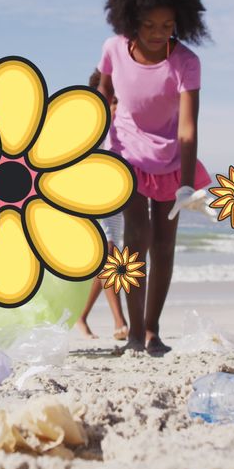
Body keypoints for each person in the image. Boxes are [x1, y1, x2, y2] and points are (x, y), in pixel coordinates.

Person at [96, 0, 212, 356]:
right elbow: (101, 96)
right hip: (125, 154)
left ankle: (152, 331)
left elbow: (188, 126)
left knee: (164, 245)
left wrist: (185, 187)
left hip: (171, 163)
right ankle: (130, 333)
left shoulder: (186, 62)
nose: (157, 33)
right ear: (130, 19)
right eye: (148, 25)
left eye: (166, 26)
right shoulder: (113, 49)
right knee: (135, 238)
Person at [75, 69, 129, 341]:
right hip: (94, 195)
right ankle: (120, 320)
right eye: (110, 98)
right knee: (109, 252)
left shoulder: (124, 127)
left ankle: (81, 317)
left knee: (108, 256)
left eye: (118, 99)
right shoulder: (88, 125)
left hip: (118, 198)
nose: (114, 104)